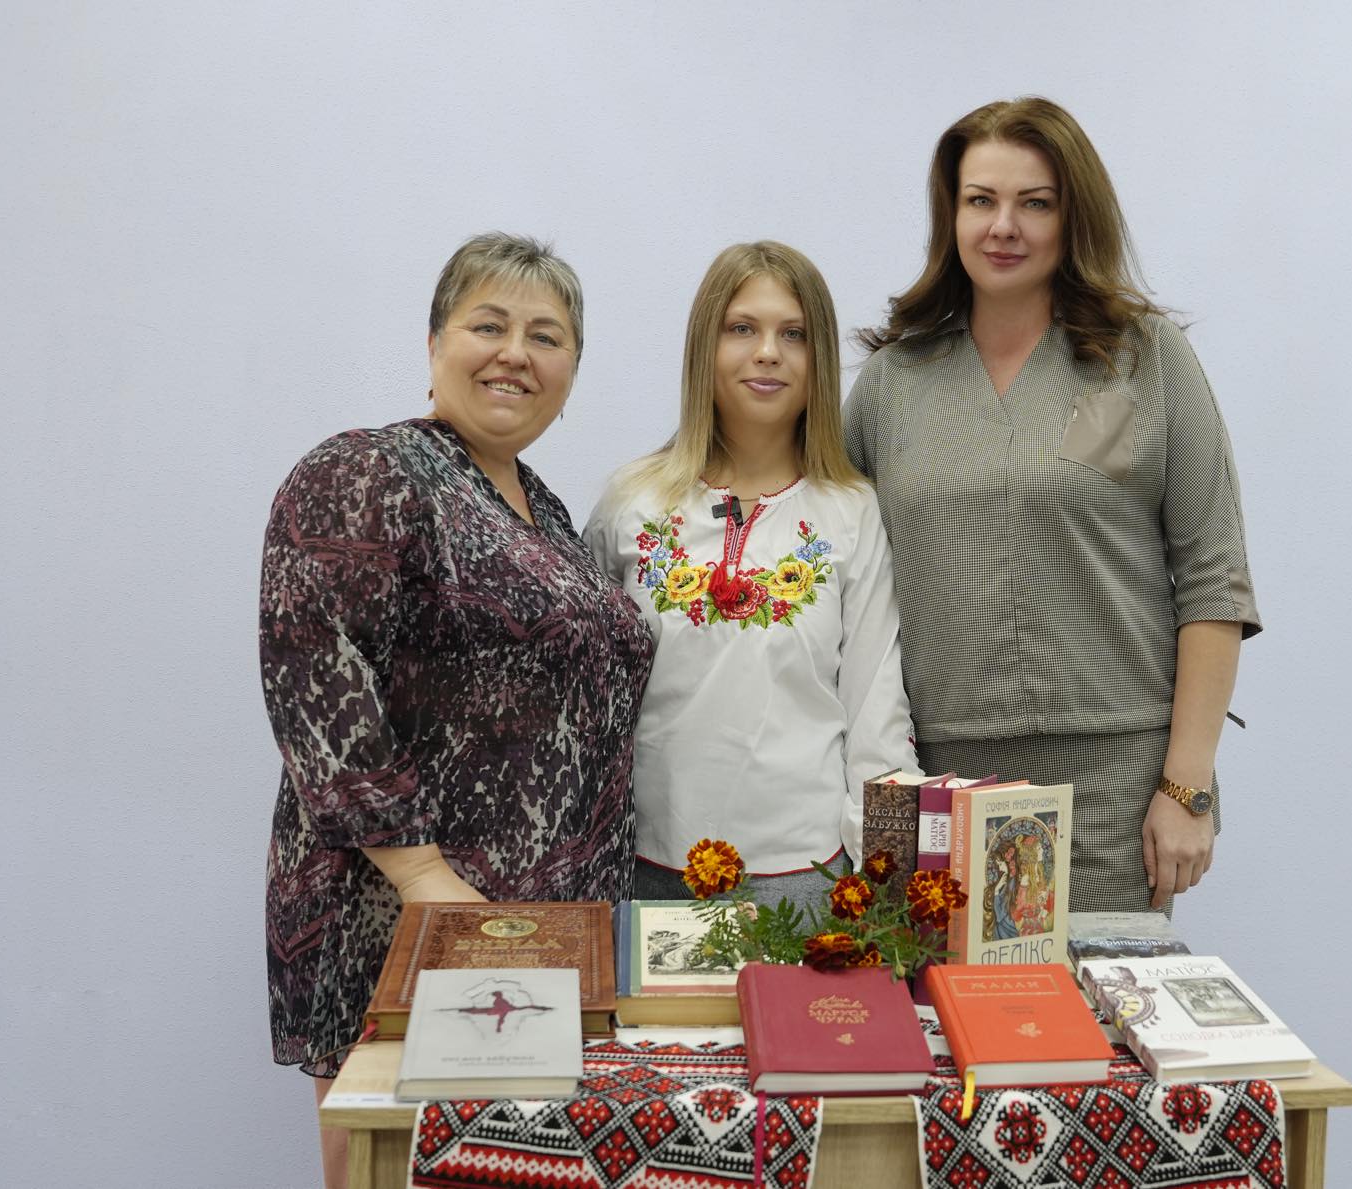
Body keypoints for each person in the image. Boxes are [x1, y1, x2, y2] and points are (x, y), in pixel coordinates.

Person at [259, 233, 653, 1187]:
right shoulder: (370, 471)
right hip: (410, 923)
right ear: (435, 342)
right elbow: (318, 678)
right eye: (489, 325)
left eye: (546, 336)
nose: (516, 353)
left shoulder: (544, 512)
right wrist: (427, 881)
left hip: (541, 935)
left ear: (571, 372)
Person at [844, 97, 1261, 916]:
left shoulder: (1144, 362)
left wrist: (1188, 786)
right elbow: (836, 576)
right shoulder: (894, 384)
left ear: (1075, 218)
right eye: (981, 200)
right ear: (951, 215)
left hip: (1112, 792)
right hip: (932, 787)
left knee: (1094, 1003)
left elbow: (1214, 579)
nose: (1004, 226)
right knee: (935, 1002)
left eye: (1035, 203)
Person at [584, 241, 915, 913]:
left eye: (794, 334)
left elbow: (875, 709)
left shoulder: (851, 510)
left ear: (820, 360)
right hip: (646, 866)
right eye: (742, 328)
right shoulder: (632, 501)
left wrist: (886, 885)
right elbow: (585, 689)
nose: (768, 352)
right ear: (703, 347)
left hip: (805, 875)